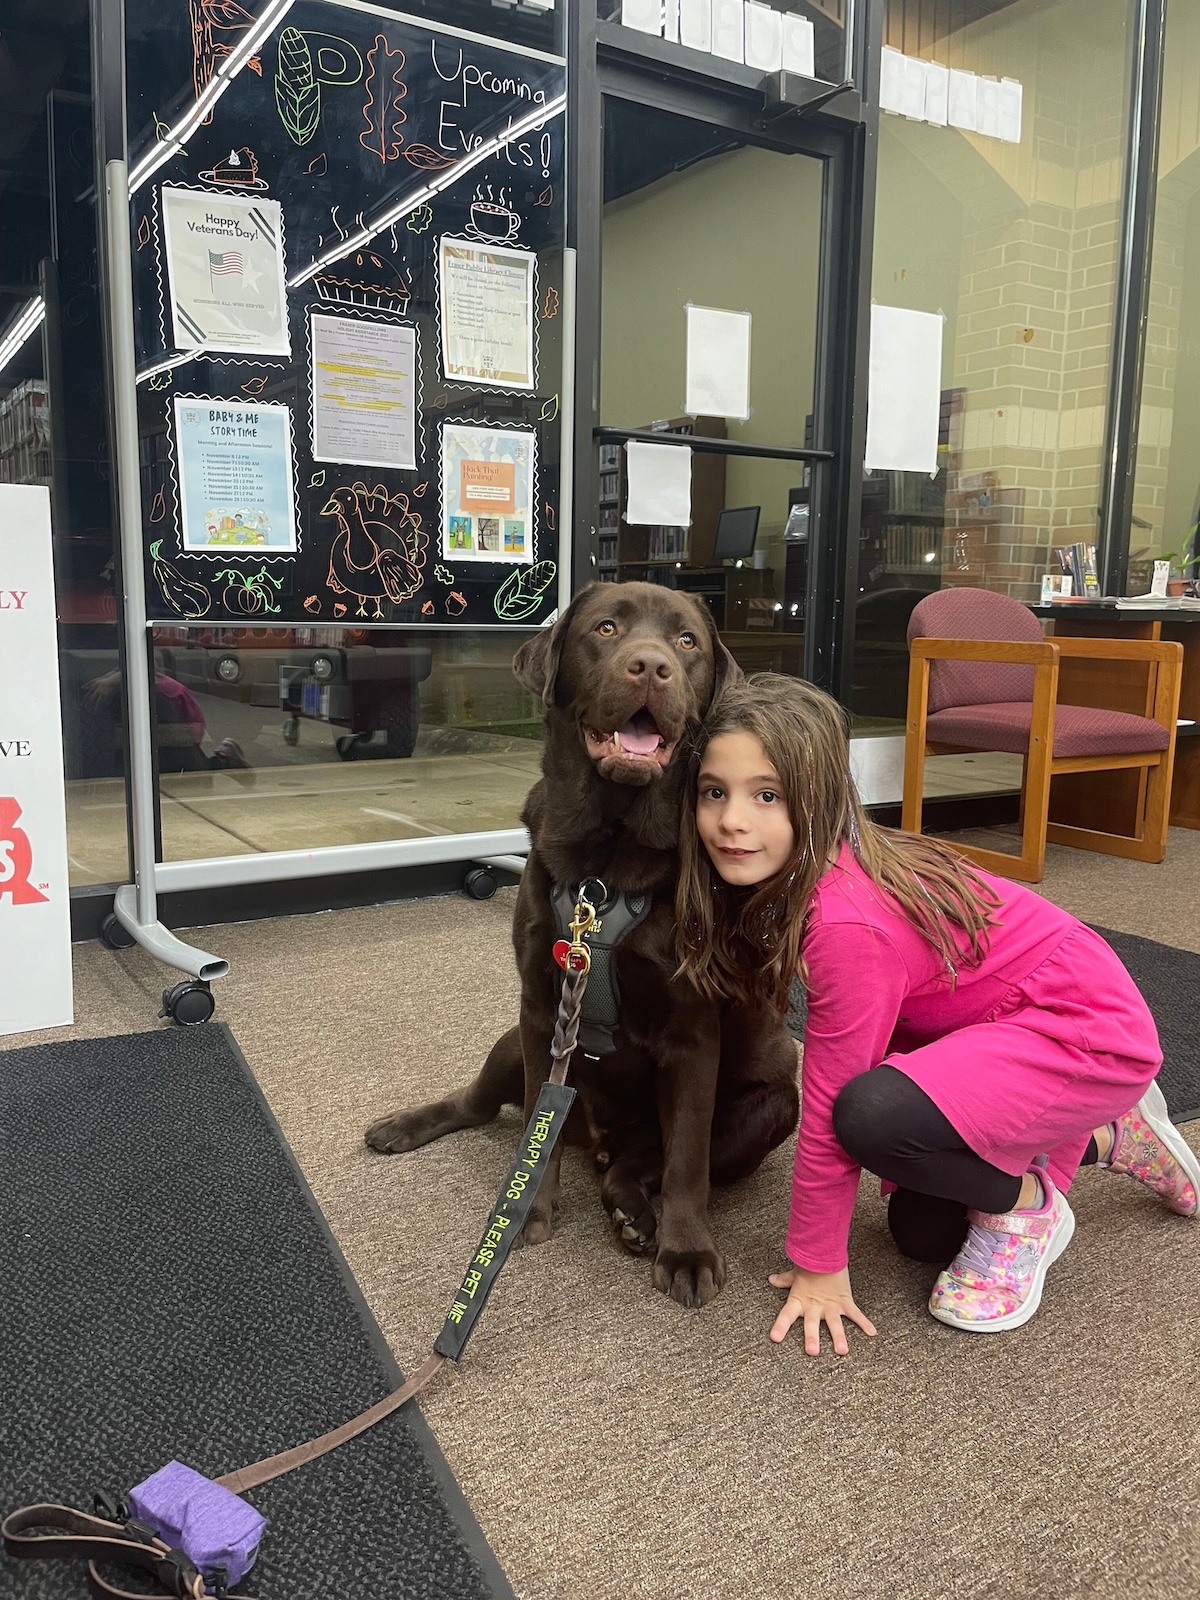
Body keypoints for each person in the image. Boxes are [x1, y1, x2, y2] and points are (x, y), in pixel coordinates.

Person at [675, 673, 1199, 1355]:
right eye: (715, 792)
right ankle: (1108, 1137)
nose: (731, 820)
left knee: (870, 1115)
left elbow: (836, 1095)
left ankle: (1031, 1206)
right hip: (1000, 1031)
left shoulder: (847, 923)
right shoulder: (793, 875)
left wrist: (820, 1264)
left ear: (823, 800)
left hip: (1087, 1032)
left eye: (767, 795)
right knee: (924, 1236)